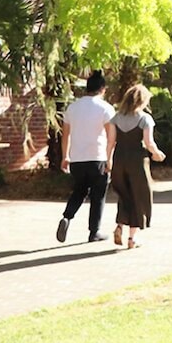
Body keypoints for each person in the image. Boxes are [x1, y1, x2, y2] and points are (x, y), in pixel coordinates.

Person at [57, 70, 116, 243]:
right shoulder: (105, 108)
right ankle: (94, 231)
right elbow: (111, 137)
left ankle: (67, 216)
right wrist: (110, 158)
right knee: (98, 195)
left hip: (77, 159)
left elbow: (65, 135)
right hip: (98, 157)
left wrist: (65, 156)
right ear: (103, 89)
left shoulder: (73, 108)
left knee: (79, 191)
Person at [109, 85, 166, 249]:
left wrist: (108, 160)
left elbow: (111, 142)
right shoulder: (145, 119)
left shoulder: (116, 118)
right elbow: (149, 143)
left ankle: (120, 225)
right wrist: (157, 153)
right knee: (139, 196)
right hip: (137, 161)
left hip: (119, 159)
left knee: (124, 195)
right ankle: (132, 238)